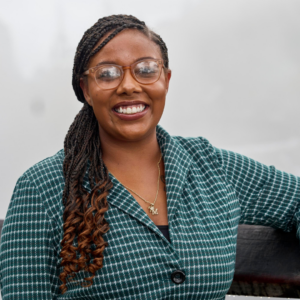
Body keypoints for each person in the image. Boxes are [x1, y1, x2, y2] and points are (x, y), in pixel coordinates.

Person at [0, 14, 299, 300]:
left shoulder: (212, 167)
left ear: (166, 80)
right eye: (107, 74)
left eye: (145, 69)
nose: (129, 85)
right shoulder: (40, 190)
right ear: (86, 90)